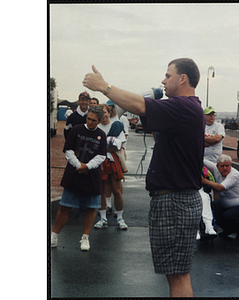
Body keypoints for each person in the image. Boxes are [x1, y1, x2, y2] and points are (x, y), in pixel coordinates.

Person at [83, 58, 205, 297]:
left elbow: (140, 106)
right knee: (176, 274)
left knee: (178, 276)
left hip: (175, 202)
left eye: (168, 76)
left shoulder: (184, 107)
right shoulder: (185, 109)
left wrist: (104, 86)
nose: (163, 80)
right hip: (175, 201)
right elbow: (146, 114)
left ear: (183, 79)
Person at [51, 106, 107, 251]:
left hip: (92, 176)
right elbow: (68, 150)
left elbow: (101, 155)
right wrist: (78, 165)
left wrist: (87, 166)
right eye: (88, 119)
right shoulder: (76, 130)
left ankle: (85, 238)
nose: (90, 122)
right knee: (64, 207)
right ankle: (54, 237)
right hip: (73, 173)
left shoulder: (102, 135)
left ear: (99, 121)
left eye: (94, 120)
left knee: (90, 208)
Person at [93, 103, 128, 230]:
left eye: (105, 112)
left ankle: (120, 218)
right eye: (101, 113)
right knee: (101, 190)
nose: (103, 115)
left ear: (109, 113)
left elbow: (117, 145)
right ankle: (103, 218)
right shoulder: (95, 126)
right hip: (99, 162)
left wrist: (102, 147)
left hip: (112, 161)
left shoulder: (116, 125)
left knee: (116, 190)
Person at [202, 154, 239, 241]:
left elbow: (220, 188)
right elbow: (203, 160)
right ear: (217, 166)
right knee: (211, 207)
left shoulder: (234, 174)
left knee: (228, 216)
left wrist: (204, 181)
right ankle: (229, 229)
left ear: (231, 165)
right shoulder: (214, 168)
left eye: (227, 165)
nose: (225, 168)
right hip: (225, 205)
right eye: (222, 166)